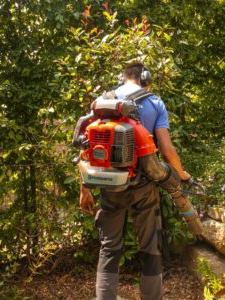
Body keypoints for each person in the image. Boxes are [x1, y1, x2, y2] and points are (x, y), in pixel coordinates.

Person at [79, 62, 191, 300]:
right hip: (145, 185)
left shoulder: (102, 102)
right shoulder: (155, 103)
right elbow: (168, 150)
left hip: (111, 185)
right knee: (150, 248)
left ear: (123, 77)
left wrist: (84, 189)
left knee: (109, 247)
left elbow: (87, 149)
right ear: (145, 78)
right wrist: (181, 175)